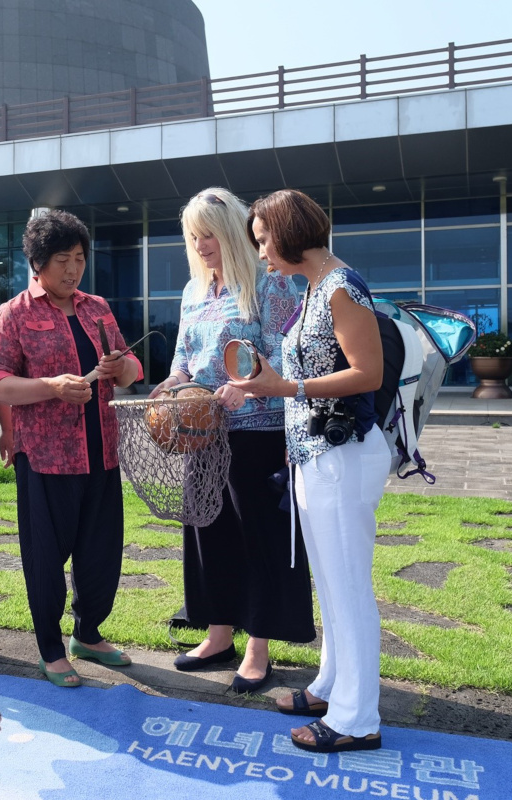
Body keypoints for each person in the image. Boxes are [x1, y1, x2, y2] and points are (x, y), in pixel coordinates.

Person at [230, 188, 389, 754]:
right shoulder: (317, 287)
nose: (263, 253)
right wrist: (263, 381)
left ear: (291, 233)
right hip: (317, 456)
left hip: (341, 456)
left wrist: (285, 386)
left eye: (265, 240)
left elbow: (367, 373)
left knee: (348, 590)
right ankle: (330, 687)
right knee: (331, 583)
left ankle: (357, 719)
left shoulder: (342, 287)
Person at [150, 188, 314, 691]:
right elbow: (183, 357)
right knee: (208, 533)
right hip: (202, 433)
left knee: (258, 539)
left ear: (233, 234)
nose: (200, 246)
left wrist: (244, 385)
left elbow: (288, 357)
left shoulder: (270, 284)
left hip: (258, 431)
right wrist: (172, 383)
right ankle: (218, 633)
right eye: (193, 237)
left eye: (209, 236)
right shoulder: (192, 292)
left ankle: (258, 645)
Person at [0, 210, 143, 688]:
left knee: (101, 555)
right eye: (62, 260)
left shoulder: (96, 308)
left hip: (102, 454)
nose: (73, 270)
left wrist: (121, 369)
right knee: (46, 560)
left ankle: (87, 634)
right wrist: (51, 386)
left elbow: (130, 364)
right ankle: (51, 648)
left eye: (79, 259)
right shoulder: (15, 314)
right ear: (37, 262)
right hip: (46, 459)